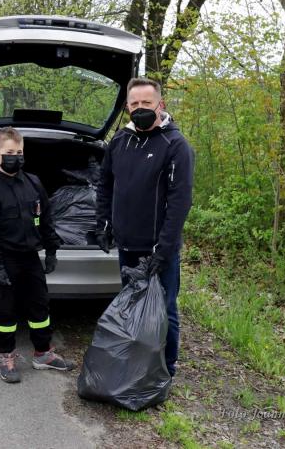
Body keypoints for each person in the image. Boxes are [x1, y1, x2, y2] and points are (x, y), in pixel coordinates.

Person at [95, 77, 194, 377]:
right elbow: (105, 184)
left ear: (160, 104)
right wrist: (104, 224)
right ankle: (136, 364)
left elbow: (179, 204)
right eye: (135, 103)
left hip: (158, 249)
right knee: (132, 307)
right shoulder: (119, 141)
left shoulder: (176, 146)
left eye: (146, 103)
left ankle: (166, 368)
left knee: (164, 310)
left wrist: (163, 251)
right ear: (127, 107)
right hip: (126, 244)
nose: (140, 108)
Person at [0, 127, 75, 383]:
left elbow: (46, 219)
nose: (15, 157)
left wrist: (51, 250)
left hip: (30, 257)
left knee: (40, 306)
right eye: (9, 152)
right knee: (5, 312)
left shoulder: (33, 182)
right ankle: (6, 357)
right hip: (4, 260)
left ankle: (43, 354)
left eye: (19, 152)